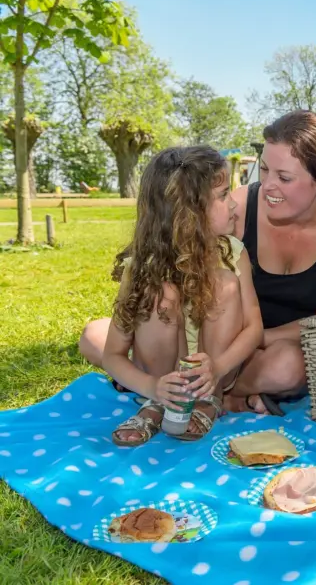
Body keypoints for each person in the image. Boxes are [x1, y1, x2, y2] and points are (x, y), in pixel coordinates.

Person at [80, 110, 316, 415]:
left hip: (267, 347)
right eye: (264, 169)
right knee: (94, 336)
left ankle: (201, 393)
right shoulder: (236, 207)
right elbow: (178, 274)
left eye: (284, 177)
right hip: (203, 334)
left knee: (289, 366)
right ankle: (203, 394)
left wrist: (251, 339)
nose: (268, 186)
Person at [104, 145, 263, 446]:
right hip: (159, 373)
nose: (234, 205)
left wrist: (217, 368)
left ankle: (209, 401)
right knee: (158, 290)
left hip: (216, 372)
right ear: (187, 213)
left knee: (223, 281)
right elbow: (112, 354)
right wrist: (152, 386)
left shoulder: (233, 253)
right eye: (222, 196)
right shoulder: (140, 268)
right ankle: (162, 402)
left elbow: (255, 327)